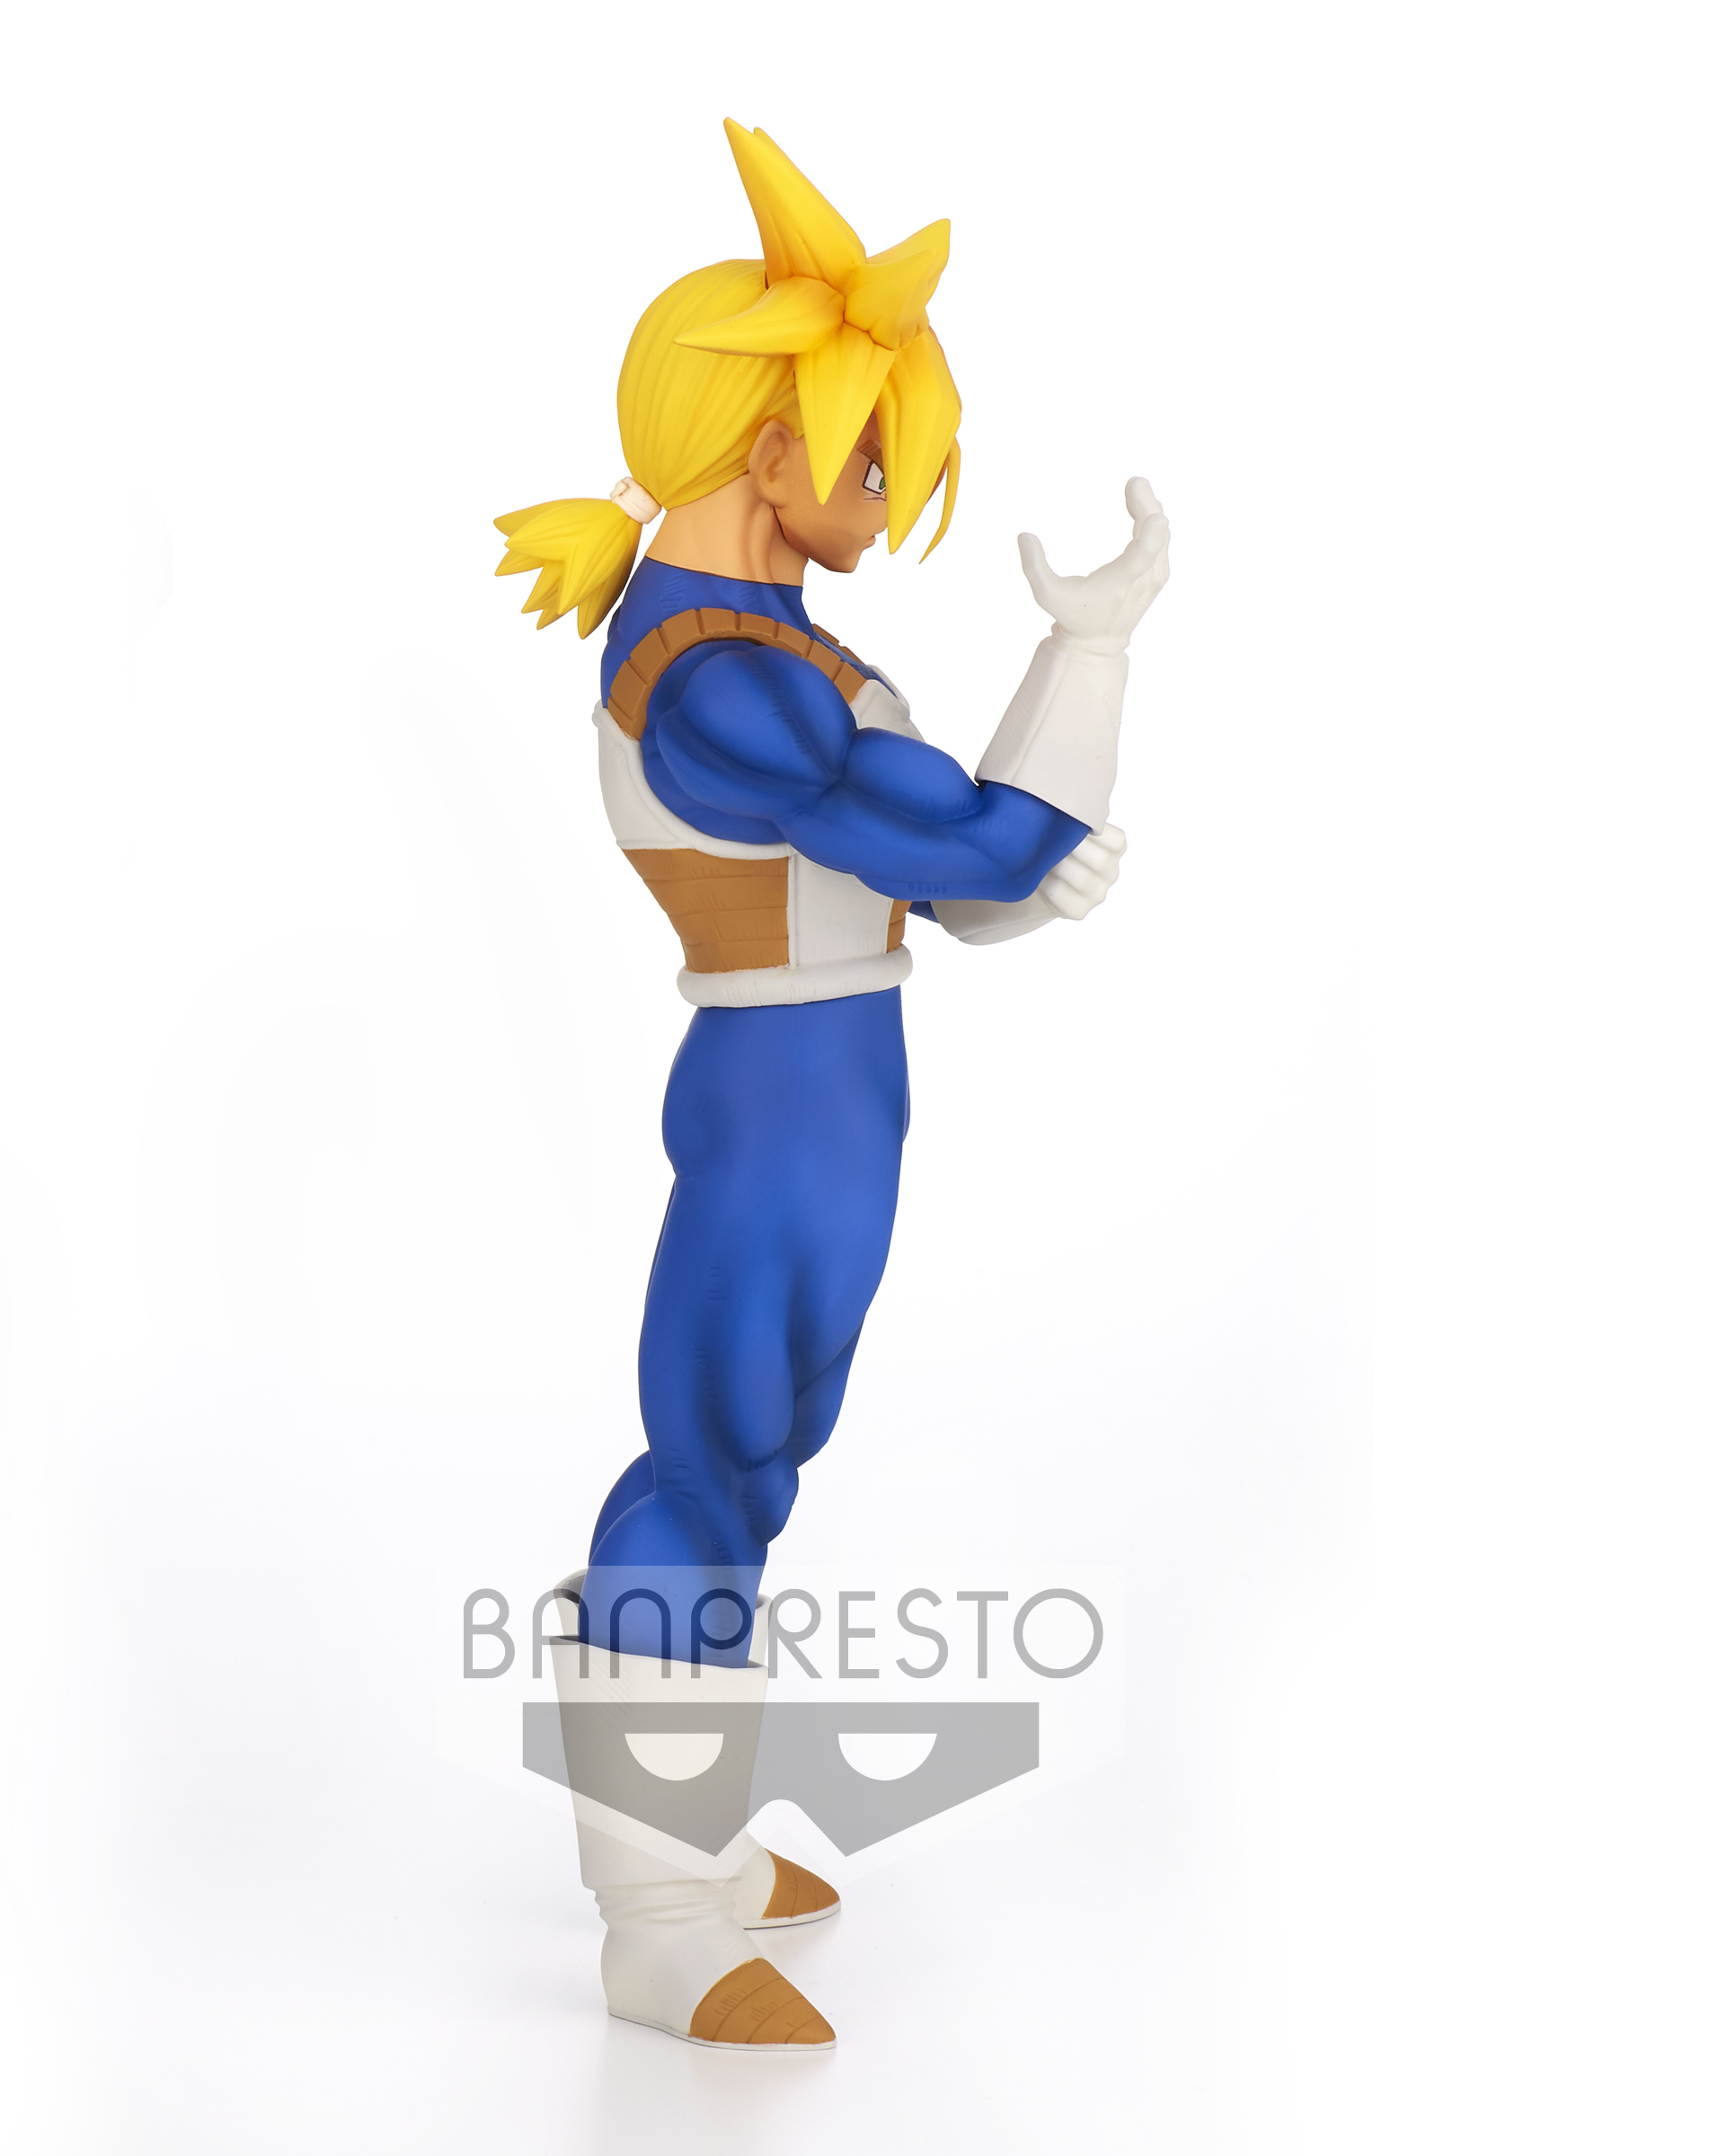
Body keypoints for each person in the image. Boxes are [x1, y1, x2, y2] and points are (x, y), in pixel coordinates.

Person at [496, 119, 1170, 2051]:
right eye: (869, 450)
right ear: (760, 441)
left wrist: (1083, 671)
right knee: (706, 1461)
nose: (886, 486)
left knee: (763, 1451)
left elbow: (970, 888)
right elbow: (959, 845)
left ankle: (692, 1842)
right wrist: (1057, 759)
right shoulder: (712, 677)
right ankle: (652, 1917)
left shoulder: (783, 644)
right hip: (777, 1088)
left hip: (840, 1080)